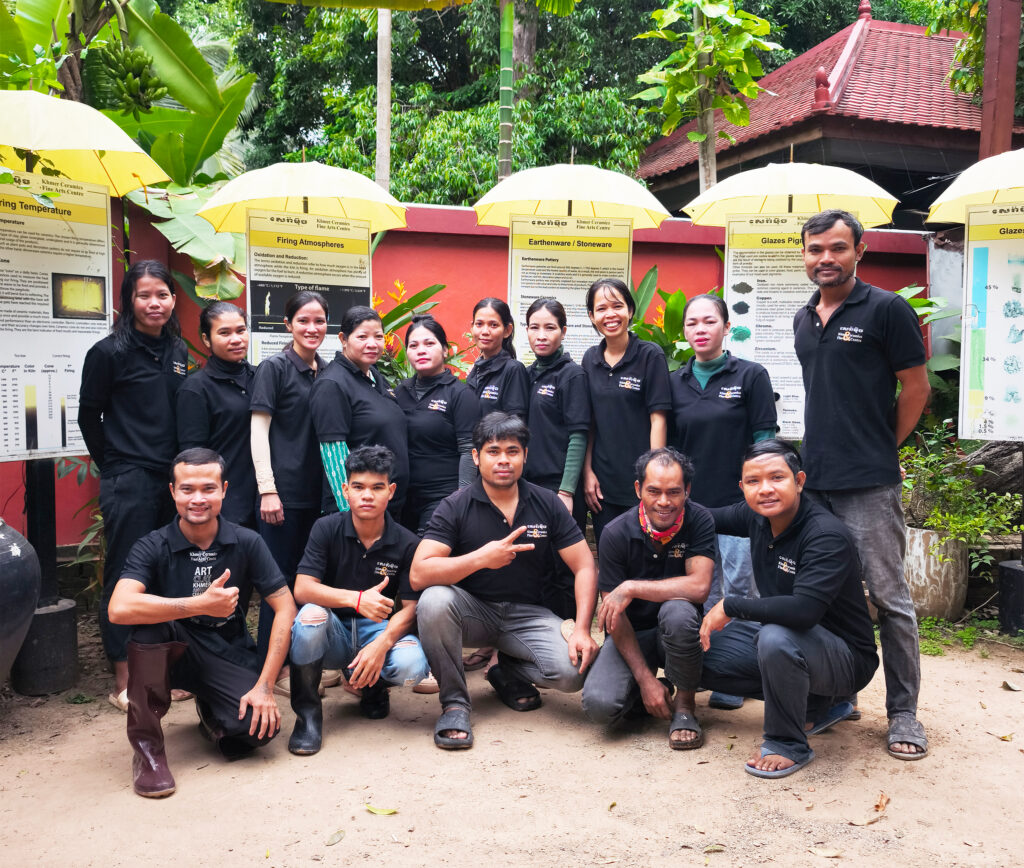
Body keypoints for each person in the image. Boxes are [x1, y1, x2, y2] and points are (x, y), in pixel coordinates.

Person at [794, 209, 931, 760]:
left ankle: (903, 713)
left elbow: (917, 390)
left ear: (859, 251)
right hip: (816, 482)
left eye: (836, 248)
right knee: (829, 595)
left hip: (869, 484)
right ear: (804, 255)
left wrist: (884, 449)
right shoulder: (806, 317)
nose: (825, 258)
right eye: (815, 250)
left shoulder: (887, 310)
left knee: (889, 597)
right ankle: (838, 695)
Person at [108, 448, 297, 798]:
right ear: (172, 492)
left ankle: (211, 710)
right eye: (187, 489)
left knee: (257, 731)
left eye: (208, 489)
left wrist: (266, 686)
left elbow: (286, 608)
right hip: (170, 652)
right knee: (148, 625)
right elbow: (119, 608)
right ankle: (147, 750)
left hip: (225, 652)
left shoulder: (246, 541)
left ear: (224, 489)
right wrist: (198, 605)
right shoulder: (153, 545)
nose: (198, 499)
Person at [411, 412, 599, 750]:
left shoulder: (547, 503)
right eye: (493, 451)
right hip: (471, 613)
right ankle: (454, 703)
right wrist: (481, 558)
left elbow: (585, 566)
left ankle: (508, 669)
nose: (503, 460)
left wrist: (583, 628)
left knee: (574, 673)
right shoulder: (456, 506)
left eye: (512, 451)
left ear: (525, 456)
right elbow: (419, 572)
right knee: (434, 600)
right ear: (475, 457)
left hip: (527, 615)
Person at [699, 440, 879, 778]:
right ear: (743, 488)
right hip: (795, 641)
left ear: (799, 480)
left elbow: (803, 611)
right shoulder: (756, 517)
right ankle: (819, 706)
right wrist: (659, 509)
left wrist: (731, 605)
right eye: (753, 481)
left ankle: (787, 742)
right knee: (701, 657)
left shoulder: (825, 535)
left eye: (776, 478)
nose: (765, 489)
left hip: (846, 659)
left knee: (776, 638)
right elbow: (705, 518)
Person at [79, 260, 188, 712]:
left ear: (173, 299)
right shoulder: (107, 353)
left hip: (173, 481)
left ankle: (163, 671)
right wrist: (116, 467)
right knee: (127, 574)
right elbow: (89, 417)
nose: (154, 303)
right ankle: (123, 678)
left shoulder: (179, 351)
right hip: (130, 479)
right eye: (144, 295)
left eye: (161, 294)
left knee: (169, 574)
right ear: (129, 301)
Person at [671, 293, 777, 711]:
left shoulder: (751, 376)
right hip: (693, 511)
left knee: (737, 590)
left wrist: (762, 497)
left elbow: (765, 442)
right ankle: (707, 666)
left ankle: (736, 675)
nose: (700, 329)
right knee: (702, 591)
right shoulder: (674, 382)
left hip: (739, 508)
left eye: (709, 321)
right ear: (684, 332)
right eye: (692, 323)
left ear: (725, 327)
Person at [287, 446, 430, 755]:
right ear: (345, 490)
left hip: (377, 632)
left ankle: (373, 687)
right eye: (359, 487)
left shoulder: (407, 542)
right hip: (333, 632)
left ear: (390, 491)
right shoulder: (326, 528)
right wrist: (356, 599)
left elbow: (412, 609)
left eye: (377, 487)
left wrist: (383, 643)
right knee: (310, 615)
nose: (367, 495)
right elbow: (302, 588)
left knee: (412, 665)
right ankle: (308, 716)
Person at [582, 448, 716, 749]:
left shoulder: (700, 520)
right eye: (654, 491)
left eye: (674, 492)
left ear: (687, 491)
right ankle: (652, 690)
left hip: (679, 630)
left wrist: (631, 587)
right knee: (599, 706)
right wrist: (645, 680)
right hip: (632, 633)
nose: (664, 502)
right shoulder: (616, 532)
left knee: (678, 612)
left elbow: (699, 588)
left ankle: (684, 705)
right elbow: (615, 618)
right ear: (638, 489)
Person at [250, 290, 328, 669]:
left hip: (322, 497)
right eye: (303, 321)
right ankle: (274, 664)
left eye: (319, 321)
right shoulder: (274, 369)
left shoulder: (328, 371)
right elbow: (258, 432)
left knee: (311, 579)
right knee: (277, 583)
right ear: (288, 325)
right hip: (283, 496)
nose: (312, 328)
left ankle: (306, 661)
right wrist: (267, 489)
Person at [582, 278, 672, 543]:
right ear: (592, 316)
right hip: (602, 486)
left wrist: (653, 477)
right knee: (610, 560)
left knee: (646, 563)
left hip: (641, 482)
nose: (610, 314)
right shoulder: (590, 359)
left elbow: (658, 419)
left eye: (617, 306)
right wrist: (587, 473)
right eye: (601, 309)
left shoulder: (649, 355)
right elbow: (589, 423)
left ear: (630, 311)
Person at [522, 298, 591, 619]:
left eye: (550, 328)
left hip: (559, 489)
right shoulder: (527, 374)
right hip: (528, 486)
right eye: (534, 328)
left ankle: (567, 640)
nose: (542, 335)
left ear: (563, 332)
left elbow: (579, 435)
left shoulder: (572, 375)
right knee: (534, 567)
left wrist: (566, 491)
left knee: (563, 568)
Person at [309, 305, 409, 518]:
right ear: (343, 339)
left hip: (387, 506)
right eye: (362, 336)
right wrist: (351, 514)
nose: (372, 344)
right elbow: (333, 455)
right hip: (360, 512)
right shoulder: (332, 384)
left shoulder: (374, 376)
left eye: (378, 336)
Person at [395, 315, 480, 534]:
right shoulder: (400, 392)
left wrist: (462, 500)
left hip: (443, 499)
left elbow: (468, 452)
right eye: (413, 345)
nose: (421, 350)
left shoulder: (460, 394)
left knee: (428, 559)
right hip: (402, 498)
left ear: (445, 350)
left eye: (429, 343)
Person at [177, 302, 257, 527]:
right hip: (226, 504)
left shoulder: (261, 378)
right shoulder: (196, 389)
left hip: (265, 501)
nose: (236, 339)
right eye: (224, 333)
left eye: (241, 330)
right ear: (206, 339)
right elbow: (193, 458)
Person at [465, 298, 529, 419]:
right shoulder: (474, 372)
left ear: (507, 330)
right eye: (479, 324)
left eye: (493, 325)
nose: (485, 331)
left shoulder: (513, 370)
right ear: (472, 327)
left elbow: (516, 424)